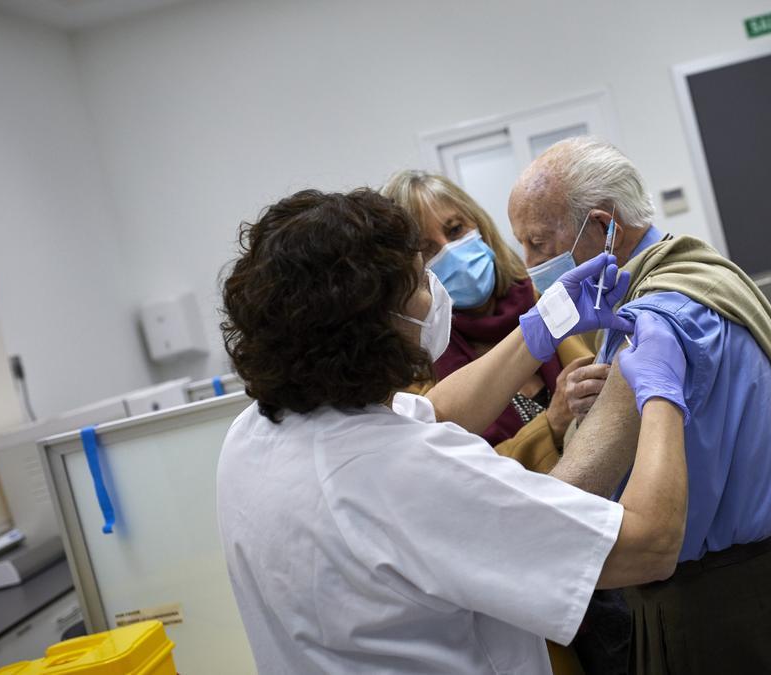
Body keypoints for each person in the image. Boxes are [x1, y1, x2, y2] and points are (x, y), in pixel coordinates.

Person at [216, 187, 691, 674]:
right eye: (421, 281)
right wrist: (659, 391)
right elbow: (648, 546)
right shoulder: (405, 476)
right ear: (381, 326)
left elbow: (432, 411)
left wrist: (544, 325)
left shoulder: (253, 434)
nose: (436, 288)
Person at [508, 137, 771, 674]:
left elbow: (572, 495)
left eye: (539, 243)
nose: (529, 266)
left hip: (711, 607)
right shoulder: (704, 272)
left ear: (606, 226)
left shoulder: (654, 321)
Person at [380, 170, 630, 673]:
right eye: (428, 249)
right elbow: (451, 481)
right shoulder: (413, 359)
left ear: (480, 225)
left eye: (455, 230)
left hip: (617, 535)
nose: (451, 251)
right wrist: (551, 425)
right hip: (535, 581)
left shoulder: (544, 299)